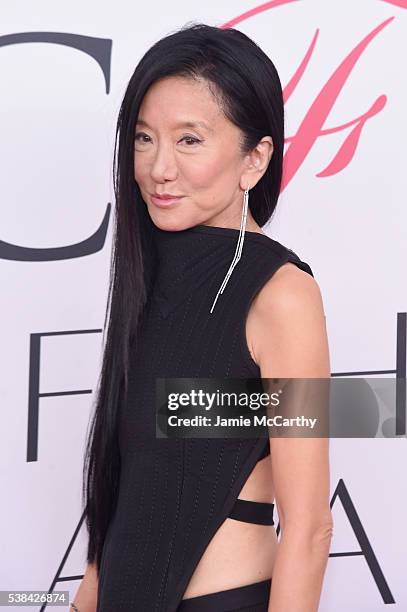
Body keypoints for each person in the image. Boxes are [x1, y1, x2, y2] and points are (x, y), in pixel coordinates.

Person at [71, 22, 333, 612]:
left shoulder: (280, 295)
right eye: (143, 139)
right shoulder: (148, 271)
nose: (158, 168)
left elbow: (310, 528)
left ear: (254, 158)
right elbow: (129, 486)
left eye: (189, 140)